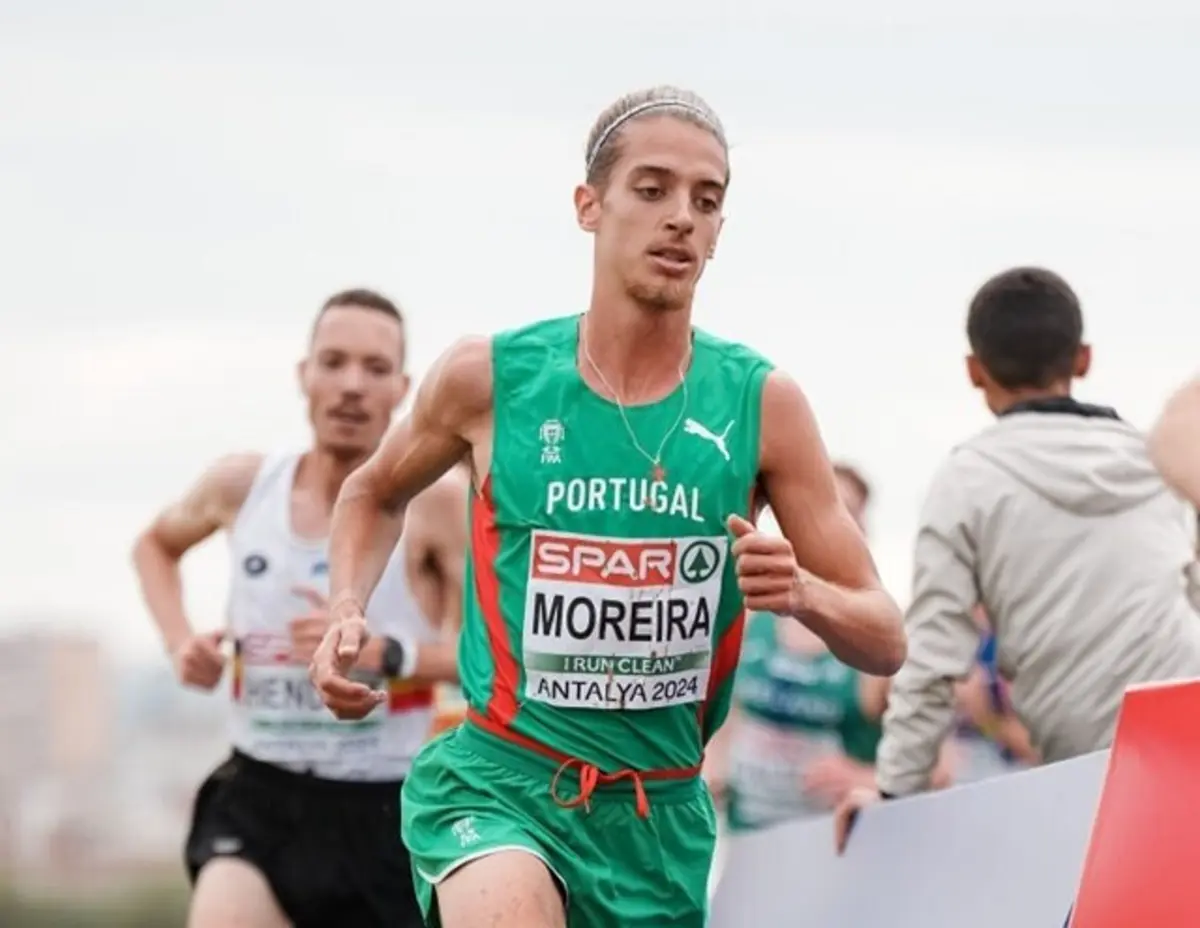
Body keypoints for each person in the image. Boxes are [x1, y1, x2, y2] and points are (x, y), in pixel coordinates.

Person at [309, 85, 906, 928]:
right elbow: (372, 493)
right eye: (653, 189)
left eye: (707, 201)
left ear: (721, 232)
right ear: (590, 205)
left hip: (656, 819)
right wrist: (344, 608)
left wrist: (803, 592)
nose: (682, 219)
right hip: (501, 783)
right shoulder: (491, 377)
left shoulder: (762, 404)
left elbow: (885, 635)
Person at [834, 266, 1200, 853]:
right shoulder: (1152, 462)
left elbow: (932, 659)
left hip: (1088, 782)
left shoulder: (966, 480)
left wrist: (892, 794)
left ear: (974, 371)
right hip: (1186, 754)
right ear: (1083, 360)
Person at [131, 289, 467, 928]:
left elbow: (494, 658)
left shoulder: (437, 504)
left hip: (390, 808)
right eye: (333, 362)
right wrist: (179, 643)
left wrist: (389, 656)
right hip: (262, 794)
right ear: (303, 375)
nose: (350, 386)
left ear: (402, 389)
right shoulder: (242, 486)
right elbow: (154, 546)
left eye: (374, 369)